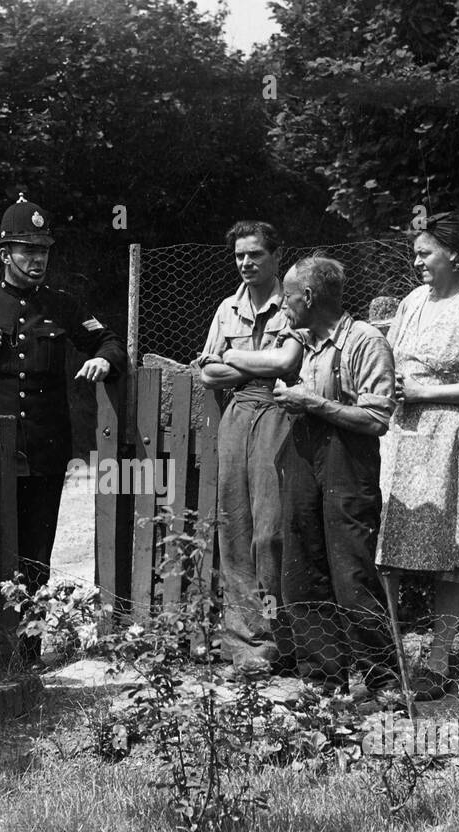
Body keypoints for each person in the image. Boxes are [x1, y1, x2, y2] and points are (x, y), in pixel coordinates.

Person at [0, 193, 125, 653]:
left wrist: (101, 360)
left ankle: (28, 652)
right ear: (5, 254)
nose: (37, 260)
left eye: (42, 250)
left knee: (38, 548)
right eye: (27, 250)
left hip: (45, 445)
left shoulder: (62, 303)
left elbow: (111, 341)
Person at [377, 211, 459, 699]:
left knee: (453, 546)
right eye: (415, 253)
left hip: (453, 436)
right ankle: (387, 656)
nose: (417, 263)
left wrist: (424, 393)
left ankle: (438, 658)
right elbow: (390, 359)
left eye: (424, 253)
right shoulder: (411, 302)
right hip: (402, 436)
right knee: (387, 539)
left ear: (452, 253)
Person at [271, 256, 401, 702]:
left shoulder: (366, 341)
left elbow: (376, 418)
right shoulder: (303, 342)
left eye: (286, 295)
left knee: (352, 572)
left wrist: (312, 402)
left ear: (307, 298)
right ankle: (321, 681)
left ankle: (383, 681)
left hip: (349, 462)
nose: (282, 304)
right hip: (304, 457)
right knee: (303, 571)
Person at [196, 220, 294, 679]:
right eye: (239, 256)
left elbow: (287, 363)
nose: (246, 263)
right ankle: (247, 647)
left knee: (271, 529)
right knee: (234, 526)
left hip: (281, 413)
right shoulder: (226, 308)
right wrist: (250, 366)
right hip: (237, 416)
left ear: (275, 255)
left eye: (255, 254)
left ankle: (285, 636)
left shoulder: (291, 302)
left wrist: (233, 360)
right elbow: (207, 374)